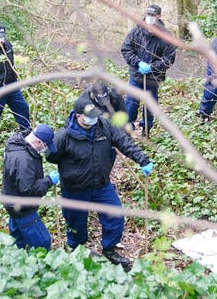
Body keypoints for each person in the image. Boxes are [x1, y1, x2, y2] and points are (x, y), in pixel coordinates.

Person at [47, 97, 154, 271]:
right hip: (75, 189)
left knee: (115, 215)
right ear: (79, 116)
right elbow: (51, 156)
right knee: (75, 223)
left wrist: (142, 160)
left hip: (101, 184)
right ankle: (76, 250)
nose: (94, 119)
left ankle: (109, 250)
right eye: (89, 116)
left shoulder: (104, 126)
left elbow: (124, 142)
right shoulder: (64, 136)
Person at [120, 3, 177, 136]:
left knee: (150, 104)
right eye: (148, 15)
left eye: (153, 15)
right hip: (136, 74)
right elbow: (126, 49)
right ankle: (128, 130)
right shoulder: (136, 32)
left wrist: (152, 67)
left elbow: (168, 59)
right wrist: (138, 63)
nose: (150, 17)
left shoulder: (165, 36)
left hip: (153, 78)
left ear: (159, 16)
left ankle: (146, 129)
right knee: (131, 102)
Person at [1, 124, 58, 250]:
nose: (46, 148)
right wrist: (49, 180)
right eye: (46, 145)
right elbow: (28, 190)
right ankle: (42, 266)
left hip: (11, 201)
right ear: (39, 141)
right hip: (22, 207)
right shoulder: (24, 160)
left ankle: (18, 258)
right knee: (43, 242)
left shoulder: (18, 145)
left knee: (18, 240)